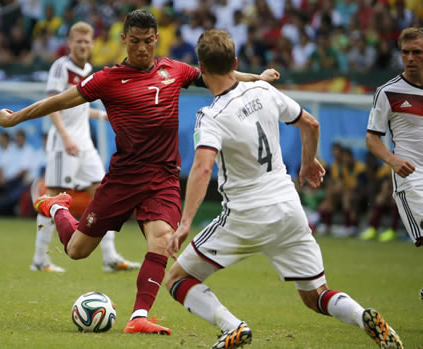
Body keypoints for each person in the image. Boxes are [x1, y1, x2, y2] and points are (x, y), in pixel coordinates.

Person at [0, 10, 280, 335]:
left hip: (163, 177)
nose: (142, 48)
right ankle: (56, 206)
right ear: (124, 40)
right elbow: (60, 100)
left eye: (147, 41)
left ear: (156, 39)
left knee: (161, 241)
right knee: (76, 251)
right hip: (123, 178)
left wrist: (256, 78)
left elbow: (220, 75)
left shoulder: (174, 69)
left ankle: (138, 316)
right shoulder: (107, 79)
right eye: (135, 42)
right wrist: (16, 117)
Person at [164, 29, 403, 349]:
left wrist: (184, 223)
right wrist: (307, 163)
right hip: (288, 208)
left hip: (245, 214)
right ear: (235, 62)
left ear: (201, 68)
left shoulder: (210, 116)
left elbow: (203, 167)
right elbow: (311, 124)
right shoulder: (263, 90)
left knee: (177, 279)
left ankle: (231, 326)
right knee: (316, 295)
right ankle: (362, 317)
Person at [29, 21, 140, 273]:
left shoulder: (89, 69)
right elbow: (51, 104)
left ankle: (110, 257)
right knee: (53, 198)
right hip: (62, 143)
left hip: (85, 144)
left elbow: (78, 107)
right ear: (70, 43)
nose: (82, 45)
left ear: (92, 44)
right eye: (78, 41)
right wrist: (66, 137)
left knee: (104, 194)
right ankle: (39, 259)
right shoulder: (61, 67)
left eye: (86, 41)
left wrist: (102, 116)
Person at [366, 27, 422, 248]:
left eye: (417, 52)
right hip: (412, 180)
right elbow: (372, 138)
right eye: (405, 52)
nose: (410, 58)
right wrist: (393, 160)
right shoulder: (387, 92)